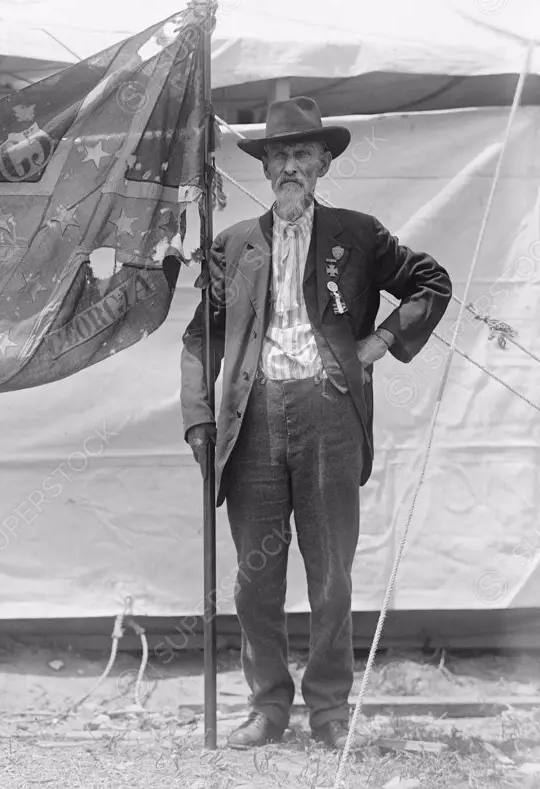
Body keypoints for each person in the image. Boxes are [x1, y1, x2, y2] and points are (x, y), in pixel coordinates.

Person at [179, 97, 452, 750]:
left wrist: (376, 343)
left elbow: (431, 283)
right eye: (279, 155)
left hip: (330, 417)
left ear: (324, 162)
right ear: (266, 167)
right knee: (253, 578)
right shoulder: (234, 243)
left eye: (302, 153)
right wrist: (197, 419)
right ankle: (267, 706)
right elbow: (200, 339)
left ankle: (330, 707)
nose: (290, 166)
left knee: (330, 573)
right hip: (253, 424)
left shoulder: (357, 235)